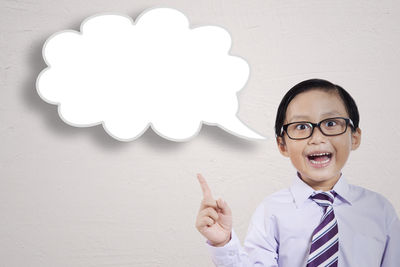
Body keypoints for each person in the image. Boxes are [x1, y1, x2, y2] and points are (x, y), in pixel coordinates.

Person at [195, 79, 400, 266]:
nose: (317, 138)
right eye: (301, 126)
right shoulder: (271, 211)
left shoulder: (379, 211)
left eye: (330, 123)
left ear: (354, 137)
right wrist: (223, 244)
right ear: (282, 144)